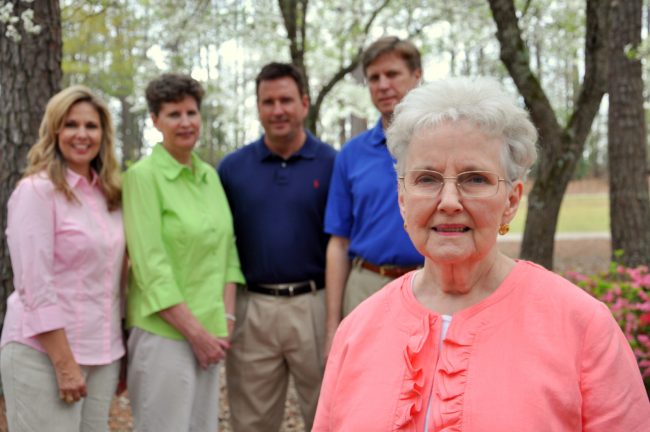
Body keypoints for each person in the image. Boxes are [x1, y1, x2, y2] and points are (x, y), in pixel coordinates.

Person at [313, 77, 650, 431]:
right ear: (402, 199)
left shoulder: (582, 327)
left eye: (474, 179)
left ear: (511, 200)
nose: (449, 202)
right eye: (427, 179)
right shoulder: (357, 331)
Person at [218, 62, 336, 432]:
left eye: (286, 100)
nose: (278, 110)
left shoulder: (333, 163)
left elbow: (342, 242)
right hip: (253, 307)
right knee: (251, 420)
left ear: (304, 103)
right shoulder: (232, 169)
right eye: (268, 102)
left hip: (315, 304)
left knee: (328, 415)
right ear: (258, 107)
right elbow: (218, 243)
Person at [123, 73, 244, 431]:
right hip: (164, 335)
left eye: (191, 112)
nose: (186, 122)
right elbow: (150, 268)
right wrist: (197, 335)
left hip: (211, 333)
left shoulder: (209, 176)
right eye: (174, 114)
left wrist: (226, 321)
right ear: (155, 120)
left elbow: (228, 253)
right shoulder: (142, 177)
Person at [0, 85, 125, 431]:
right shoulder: (37, 191)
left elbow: (115, 279)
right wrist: (64, 362)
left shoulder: (109, 195)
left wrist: (120, 352)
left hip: (102, 354)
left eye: (91, 126)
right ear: (54, 131)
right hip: (43, 354)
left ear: (103, 135)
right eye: (71, 124)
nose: (82, 134)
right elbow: (34, 285)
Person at [324, 36, 424, 356]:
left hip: (430, 283)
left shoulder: (442, 144)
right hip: (366, 285)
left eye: (392, 74)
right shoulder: (351, 155)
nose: (382, 85)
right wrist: (332, 325)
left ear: (417, 76)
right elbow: (338, 243)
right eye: (374, 78)